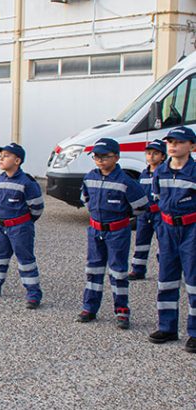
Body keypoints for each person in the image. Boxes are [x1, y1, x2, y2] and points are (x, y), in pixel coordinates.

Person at [78, 138, 148, 328]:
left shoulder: (126, 181)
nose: (100, 160)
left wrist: (120, 217)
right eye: (96, 156)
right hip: (95, 230)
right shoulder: (90, 177)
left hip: (117, 231)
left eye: (105, 156)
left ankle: (122, 310)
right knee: (93, 270)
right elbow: (85, 198)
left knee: (118, 271)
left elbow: (141, 206)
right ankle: (89, 308)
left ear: (116, 157)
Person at [0, 143, 44, 308]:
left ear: (17, 160)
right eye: (1, 155)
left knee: (25, 260)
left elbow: (37, 208)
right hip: (2, 226)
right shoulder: (1, 179)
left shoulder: (27, 182)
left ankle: (33, 293)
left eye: (6, 156)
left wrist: (24, 222)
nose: (1, 158)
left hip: (20, 227)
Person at [148, 126, 196, 352]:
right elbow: (156, 201)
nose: (173, 146)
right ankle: (167, 327)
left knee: (193, 282)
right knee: (166, 279)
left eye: (179, 142)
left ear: (192, 147)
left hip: (191, 229)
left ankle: (194, 332)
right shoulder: (160, 172)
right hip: (167, 229)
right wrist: (161, 227)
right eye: (170, 142)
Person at [129, 139, 166, 280]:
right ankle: (138, 269)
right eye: (148, 153)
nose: (151, 156)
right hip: (144, 215)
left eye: (155, 153)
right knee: (141, 242)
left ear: (163, 156)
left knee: (163, 243)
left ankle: (165, 270)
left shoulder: (164, 173)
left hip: (160, 214)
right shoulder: (144, 174)